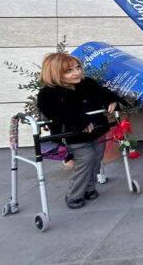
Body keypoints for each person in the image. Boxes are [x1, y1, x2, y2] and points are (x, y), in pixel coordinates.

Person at [36, 53, 125, 209]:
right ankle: (74, 195)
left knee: (97, 158)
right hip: (73, 136)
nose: (76, 72)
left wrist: (111, 100)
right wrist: (79, 120)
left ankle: (89, 189)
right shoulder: (48, 94)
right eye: (69, 71)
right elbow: (56, 112)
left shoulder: (87, 84)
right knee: (86, 158)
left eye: (77, 68)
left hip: (97, 130)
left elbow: (102, 93)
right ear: (55, 73)